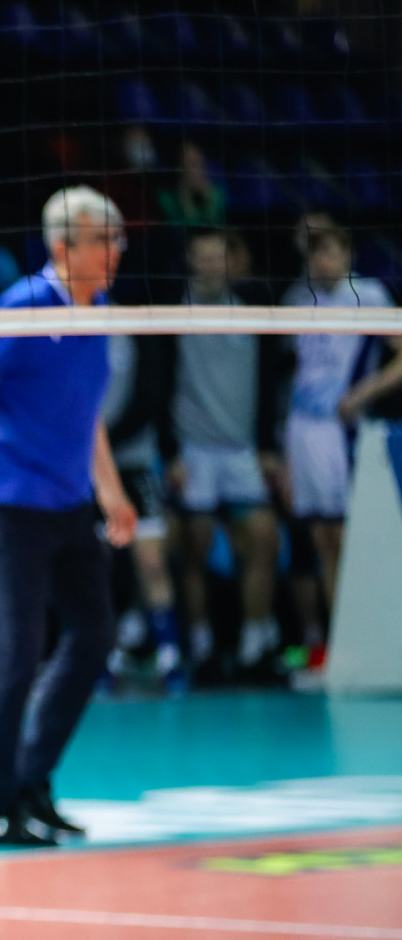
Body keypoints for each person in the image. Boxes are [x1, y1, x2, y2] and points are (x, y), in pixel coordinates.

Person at [0, 186, 138, 846]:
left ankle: (31, 782)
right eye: (103, 239)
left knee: (95, 637)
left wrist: (111, 491)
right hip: (15, 505)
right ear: (62, 247)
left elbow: (85, 415)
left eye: (117, 239)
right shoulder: (24, 305)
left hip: (71, 504)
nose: (114, 251)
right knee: (18, 655)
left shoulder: (97, 309)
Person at [163, 230, 283, 681]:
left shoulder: (254, 310)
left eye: (219, 256)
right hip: (193, 450)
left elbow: (268, 383)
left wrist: (267, 447)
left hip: (242, 450)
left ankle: (254, 645)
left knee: (263, 540)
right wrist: (170, 452)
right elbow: (159, 383)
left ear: (233, 262)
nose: (212, 264)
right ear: (191, 260)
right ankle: (202, 647)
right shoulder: (172, 311)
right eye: (204, 257)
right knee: (193, 548)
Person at [279, 223, 400, 663]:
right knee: (319, 539)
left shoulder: (368, 295)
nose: (322, 260)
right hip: (300, 430)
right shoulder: (297, 298)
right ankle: (333, 644)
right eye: (315, 253)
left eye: (330, 251)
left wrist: (362, 394)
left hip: (340, 430)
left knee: (348, 539)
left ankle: (366, 642)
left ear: (348, 253)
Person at [97, 332, 182, 690]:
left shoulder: (134, 331)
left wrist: (103, 439)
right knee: (95, 568)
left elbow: (151, 397)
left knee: (151, 563)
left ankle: (169, 658)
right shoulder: (67, 330)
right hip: (87, 469)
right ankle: (101, 659)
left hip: (134, 464)